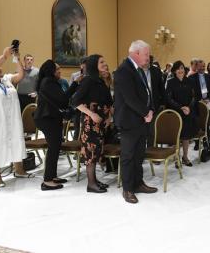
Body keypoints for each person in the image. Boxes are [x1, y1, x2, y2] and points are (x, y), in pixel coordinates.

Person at [0, 47, 34, 188]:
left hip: (12, 118)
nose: (0, 70)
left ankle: (19, 169)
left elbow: (20, 75)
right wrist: (3, 56)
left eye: (0, 69)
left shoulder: (6, 80)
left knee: (15, 141)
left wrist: (17, 58)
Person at [113, 40, 158, 204]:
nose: (148, 57)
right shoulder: (123, 71)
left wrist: (150, 109)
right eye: (146, 54)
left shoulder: (138, 70)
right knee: (128, 156)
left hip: (140, 120)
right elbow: (130, 98)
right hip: (129, 121)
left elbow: (147, 92)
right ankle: (128, 189)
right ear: (136, 53)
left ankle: (138, 183)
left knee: (139, 155)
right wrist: (146, 112)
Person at [72, 54, 114, 194]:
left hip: (101, 124)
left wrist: (109, 117)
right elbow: (75, 102)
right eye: (101, 62)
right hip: (90, 123)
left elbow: (109, 103)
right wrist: (92, 114)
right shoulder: (88, 80)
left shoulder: (101, 81)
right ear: (94, 65)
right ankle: (90, 184)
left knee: (96, 152)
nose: (104, 64)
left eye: (104, 61)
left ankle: (94, 180)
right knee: (90, 154)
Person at [35, 60, 79, 191]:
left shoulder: (49, 81)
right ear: (51, 71)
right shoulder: (48, 82)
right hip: (47, 119)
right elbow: (63, 100)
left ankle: (52, 176)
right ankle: (47, 181)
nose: (60, 71)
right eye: (57, 69)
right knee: (53, 148)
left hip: (50, 118)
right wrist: (75, 84)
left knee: (55, 147)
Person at [165, 61, 198, 166]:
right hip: (176, 112)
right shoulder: (171, 82)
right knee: (177, 137)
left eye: (182, 68)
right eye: (178, 68)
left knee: (186, 136)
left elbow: (194, 96)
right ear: (174, 71)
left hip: (188, 112)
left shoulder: (190, 81)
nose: (181, 70)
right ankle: (176, 158)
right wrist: (180, 107)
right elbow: (169, 98)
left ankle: (185, 157)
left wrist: (188, 107)